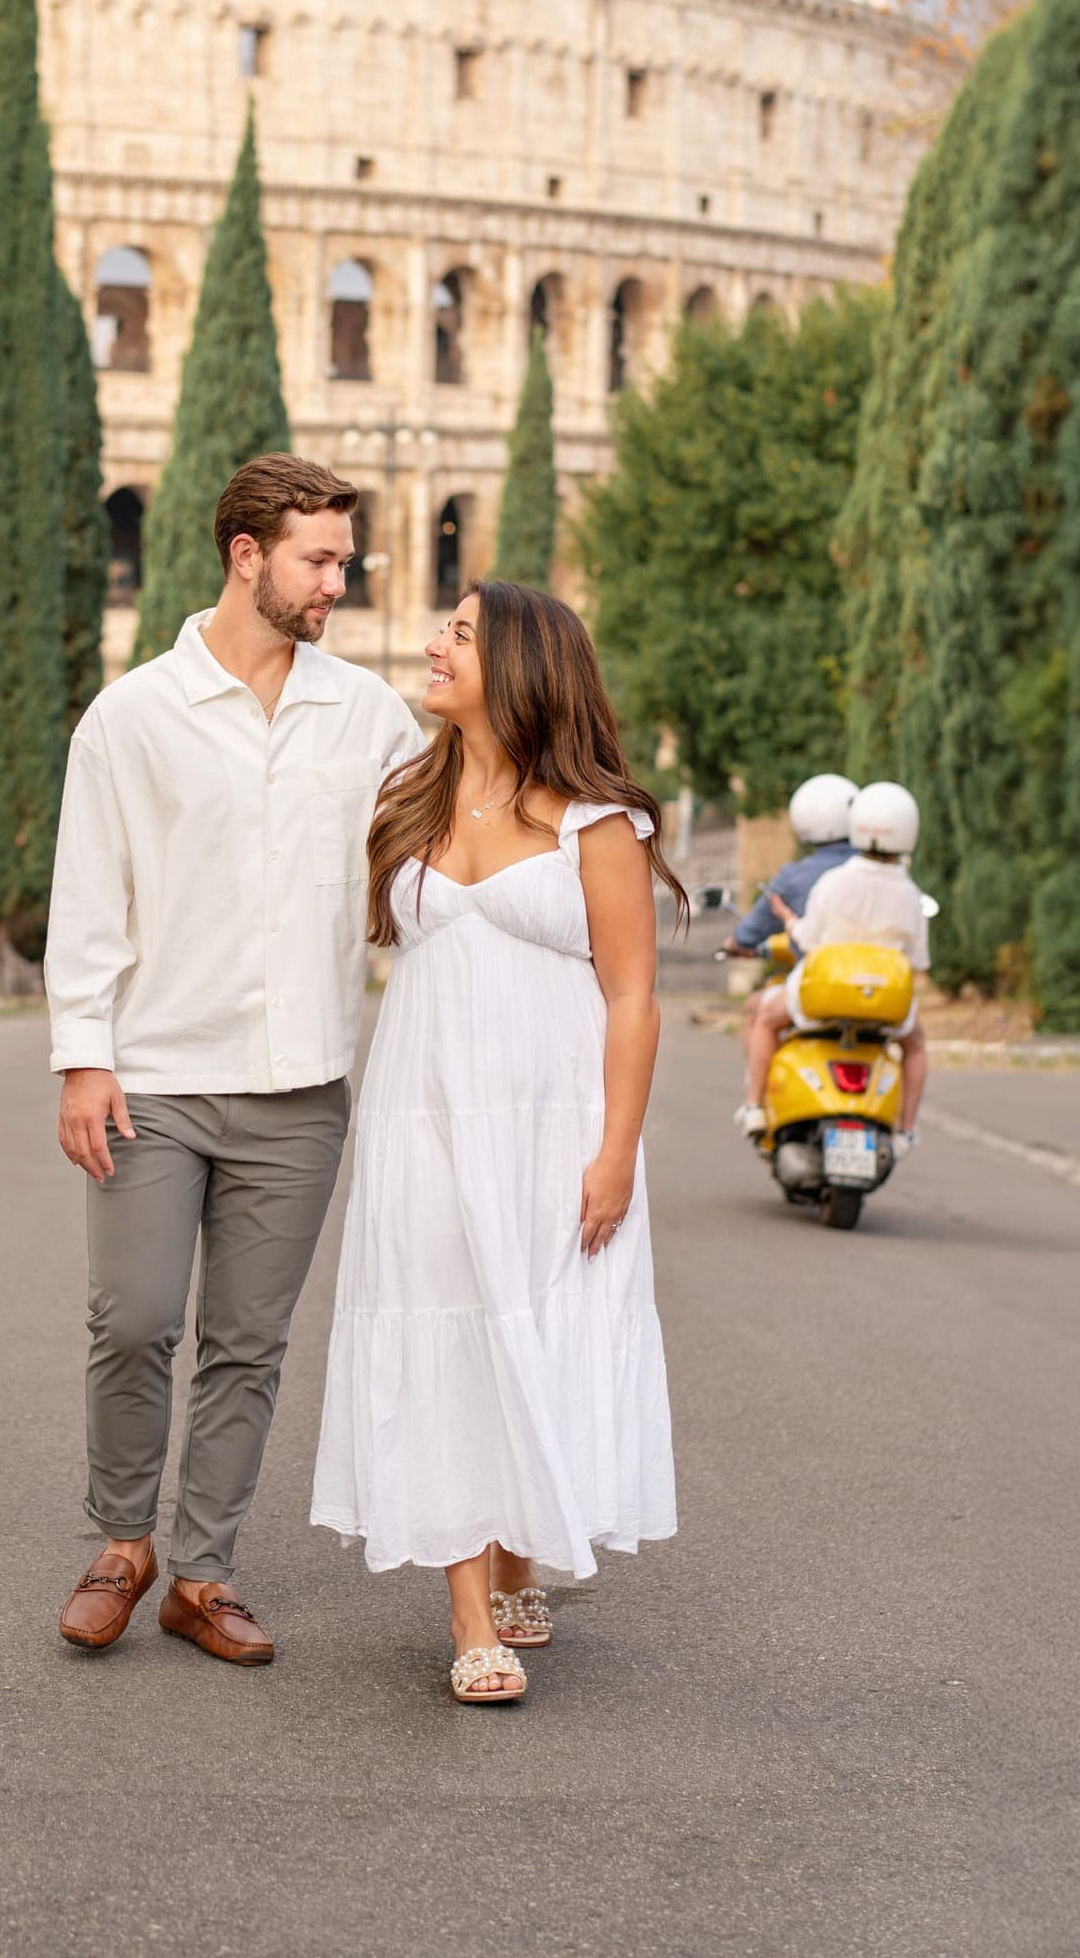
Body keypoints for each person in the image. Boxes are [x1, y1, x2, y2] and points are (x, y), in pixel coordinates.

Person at [45, 454, 420, 1665]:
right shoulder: (132, 716)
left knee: (248, 1346)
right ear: (245, 555)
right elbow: (89, 900)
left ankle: (201, 1570)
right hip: (154, 1074)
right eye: (318, 560)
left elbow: (432, 854)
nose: (336, 584)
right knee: (134, 1319)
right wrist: (81, 1058)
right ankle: (120, 1539)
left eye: (343, 562)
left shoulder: (366, 714)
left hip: (301, 1087)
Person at [312, 582, 687, 1706]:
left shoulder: (593, 819)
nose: (433, 644)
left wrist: (615, 1150)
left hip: (551, 1118)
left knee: (536, 1322)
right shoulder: (406, 796)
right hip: (420, 1110)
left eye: (459, 633)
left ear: (520, 664)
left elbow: (631, 997)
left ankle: (520, 1550)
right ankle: (470, 1614)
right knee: (444, 1327)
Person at [736, 781, 930, 1139]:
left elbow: (809, 939)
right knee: (916, 1045)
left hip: (823, 995)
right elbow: (917, 959)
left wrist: (787, 919)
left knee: (764, 1019)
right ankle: (906, 1129)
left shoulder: (834, 882)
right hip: (885, 1004)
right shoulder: (910, 894)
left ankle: (754, 1106)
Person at [722, 772, 858, 960]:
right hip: (884, 980)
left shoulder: (791, 878)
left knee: (764, 991)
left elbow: (747, 935)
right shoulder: (884, 869)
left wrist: (734, 944)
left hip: (819, 981)